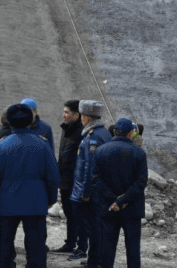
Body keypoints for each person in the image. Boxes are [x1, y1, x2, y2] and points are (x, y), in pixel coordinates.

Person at [0, 104, 59, 268]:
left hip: (7, 201)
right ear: (30, 121)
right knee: (36, 246)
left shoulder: (0, 145)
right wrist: (51, 199)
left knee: (5, 244)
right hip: (36, 200)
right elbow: (52, 176)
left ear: (9, 121)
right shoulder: (42, 144)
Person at [93, 118, 147, 268]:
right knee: (133, 250)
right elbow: (141, 183)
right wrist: (122, 200)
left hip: (108, 208)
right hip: (132, 209)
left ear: (115, 132)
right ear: (130, 134)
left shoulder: (100, 151)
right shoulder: (139, 153)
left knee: (107, 250)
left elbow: (95, 180)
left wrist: (114, 200)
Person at [69, 100, 112, 265]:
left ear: (86, 118)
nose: (81, 119)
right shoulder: (104, 133)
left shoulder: (92, 138)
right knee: (97, 227)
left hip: (89, 192)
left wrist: (85, 193)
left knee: (93, 229)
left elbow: (90, 168)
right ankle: (96, 259)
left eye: (82, 116)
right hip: (99, 190)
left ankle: (94, 261)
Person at [51, 100, 83, 255]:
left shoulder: (81, 132)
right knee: (69, 213)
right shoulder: (66, 129)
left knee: (75, 214)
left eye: (66, 112)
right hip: (64, 180)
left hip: (74, 182)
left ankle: (78, 245)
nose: (63, 115)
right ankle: (70, 242)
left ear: (76, 115)